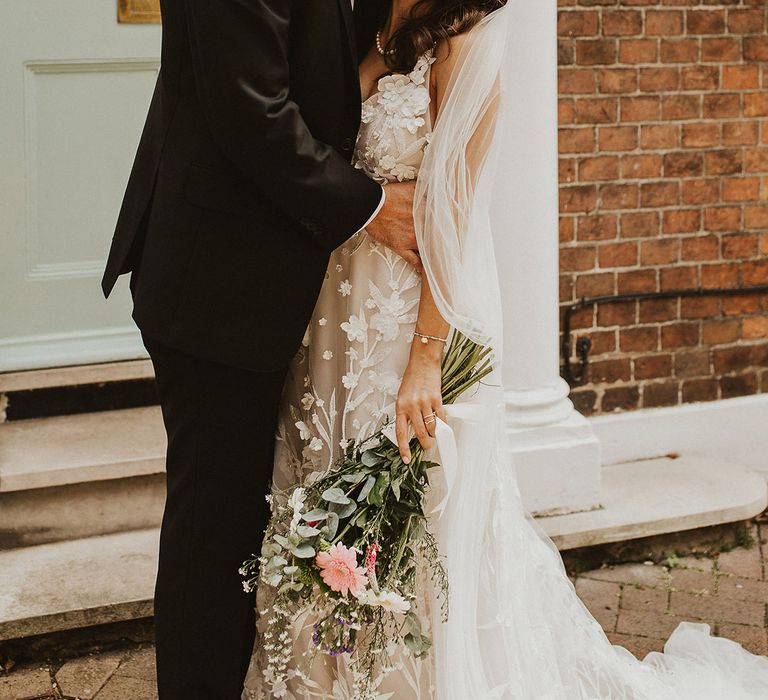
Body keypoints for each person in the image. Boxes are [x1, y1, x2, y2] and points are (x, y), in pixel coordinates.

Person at [243, 1, 768, 698]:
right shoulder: (358, 18)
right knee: (322, 480)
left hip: (404, 316)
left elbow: (453, 220)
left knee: (405, 508)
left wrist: (426, 359)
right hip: (333, 309)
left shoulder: (468, 44)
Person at [100, 1, 421, 698]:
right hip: (217, 281)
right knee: (215, 536)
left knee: (249, 522)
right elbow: (251, 109)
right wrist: (369, 205)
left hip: (285, 285)